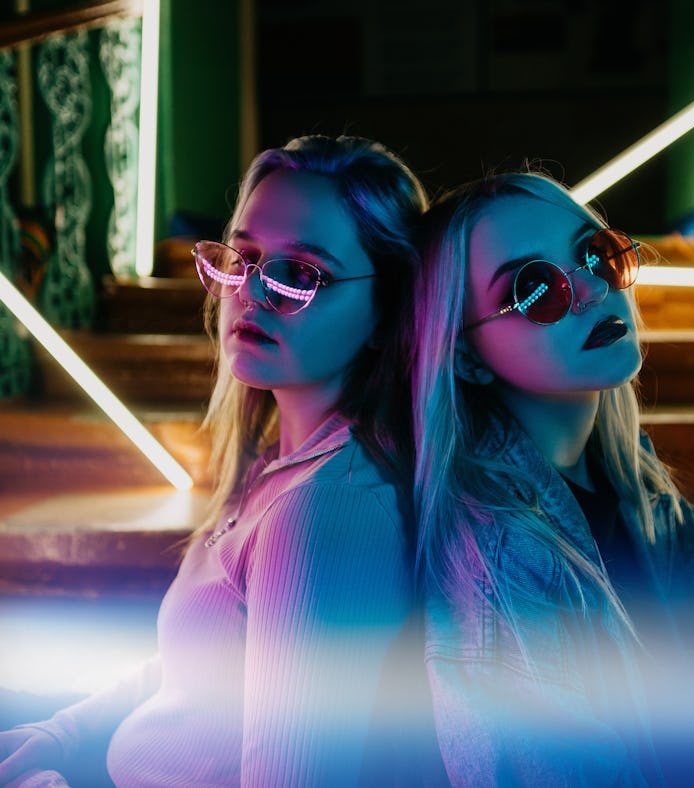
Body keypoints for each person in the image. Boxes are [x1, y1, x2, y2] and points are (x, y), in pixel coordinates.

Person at [0, 134, 444, 786]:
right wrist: (58, 735)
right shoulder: (278, 460)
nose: (253, 291)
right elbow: (189, 665)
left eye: (301, 274)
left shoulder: (328, 509)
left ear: (386, 310)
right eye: (244, 257)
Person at [409, 170, 694, 786]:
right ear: (466, 356)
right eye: (536, 290)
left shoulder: (630, 472)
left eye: (595, 253)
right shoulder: (498, 564)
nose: (589, 289)